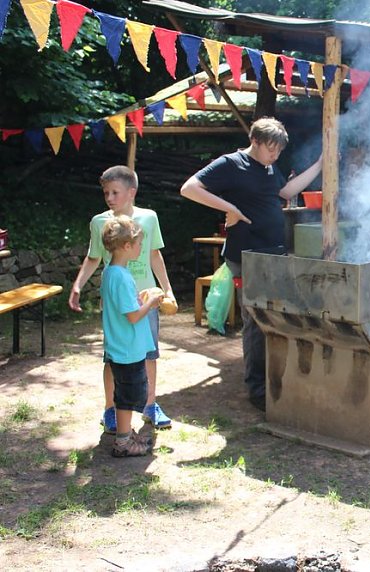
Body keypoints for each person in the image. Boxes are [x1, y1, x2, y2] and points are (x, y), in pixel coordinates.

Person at [179, 117, 321, 411]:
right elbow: (189, 188)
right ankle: (257, 389)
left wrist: (320, 165)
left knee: (276, 316)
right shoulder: (231, 164)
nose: (275, 156)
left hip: (273, 253)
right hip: (246, 256)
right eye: (271, 150)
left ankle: (275, 378)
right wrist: (229, 207)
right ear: (254, 141)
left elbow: (285, 192)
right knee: (255, 321)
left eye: (279, 151)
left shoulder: (269, 167)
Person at [69, 166, 176, 434]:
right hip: (117, 304)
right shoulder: (99, 222)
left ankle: (150, 405)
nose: (109, 198)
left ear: (132, 192)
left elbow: (154, 255)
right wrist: (78, 285)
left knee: (149, 353)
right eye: (106, 192)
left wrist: (167, 289)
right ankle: (111, 409)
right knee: (113, 357)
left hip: (147, 299)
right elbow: (93, 257)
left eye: (115, 192)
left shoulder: (148, 218)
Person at [99, 216, 164, 457]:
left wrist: (140, 298)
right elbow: (134, 317)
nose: (140, 248)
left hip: (120, 346)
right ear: (126, 246)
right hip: (127, 349)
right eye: (138, 244)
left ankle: (125, 434)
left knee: (125, 393)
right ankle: (123, 443)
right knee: (127, 397)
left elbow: (123, 306)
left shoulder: (111, 272)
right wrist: (152, 302)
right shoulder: (121, 277)